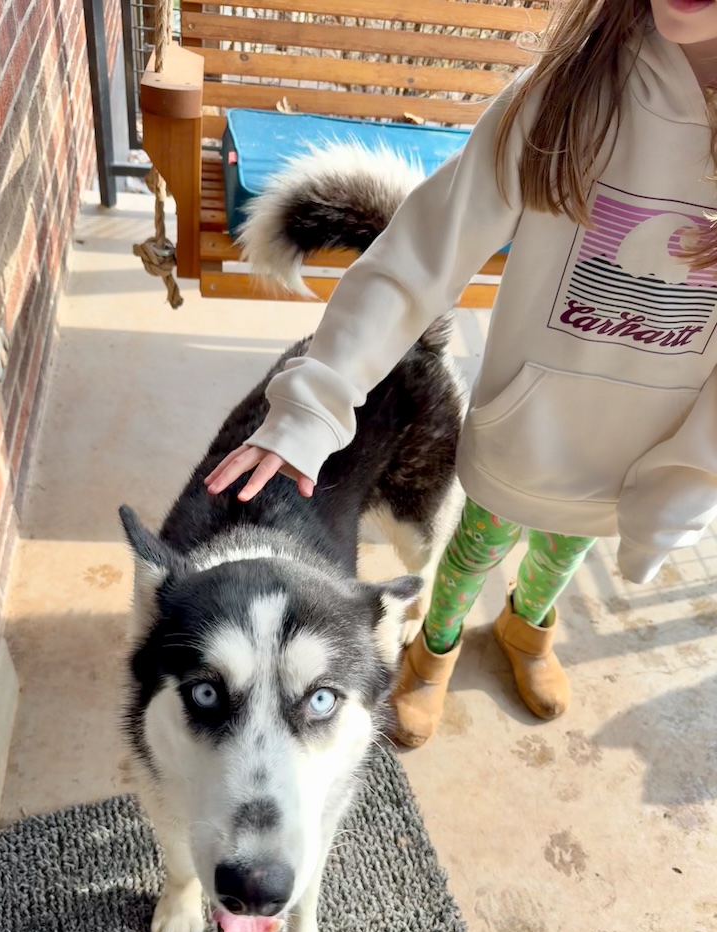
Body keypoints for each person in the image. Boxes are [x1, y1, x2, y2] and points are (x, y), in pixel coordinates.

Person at [205, 0, 717, 747]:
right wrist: (316, 399)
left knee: (559, 557)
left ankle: (527, 629)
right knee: (468, 554)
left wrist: (687, 484)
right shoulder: (568, 93)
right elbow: (423, 249)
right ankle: (434, 650)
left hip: (637, 462)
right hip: (525, 441)